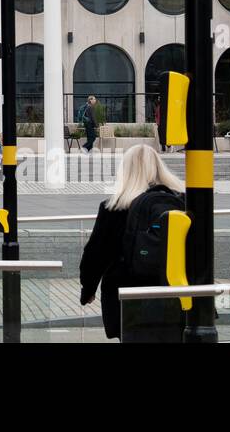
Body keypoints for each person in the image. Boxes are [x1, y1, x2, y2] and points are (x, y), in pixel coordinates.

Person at [79, 145, 187, 342]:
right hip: (176, 293)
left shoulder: (113, 206)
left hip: (128, 296)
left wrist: (88, 289)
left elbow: (95, 253)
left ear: (125, 170)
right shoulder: (181, 201)